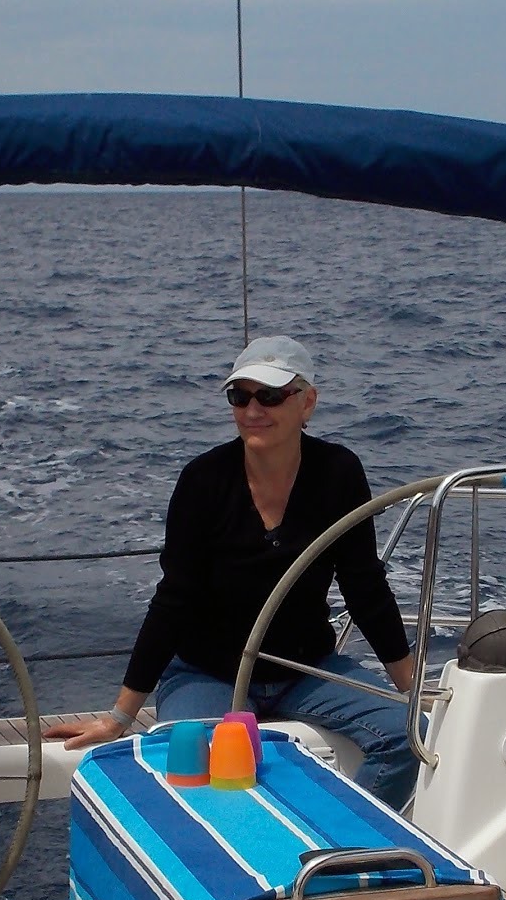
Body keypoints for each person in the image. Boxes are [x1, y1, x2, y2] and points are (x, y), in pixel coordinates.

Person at [46, 336, 420, 806]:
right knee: (189, 762)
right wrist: (120, 717)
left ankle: (343, 852)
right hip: (209, 673)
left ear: (308, 402)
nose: (252, 409)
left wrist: (412, 692)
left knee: (408, 737)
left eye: (270, 395)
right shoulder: (203, 481)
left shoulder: (339, 472)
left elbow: (365, 588)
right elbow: (173, 601)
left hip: (306, 667)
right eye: (239, 396)